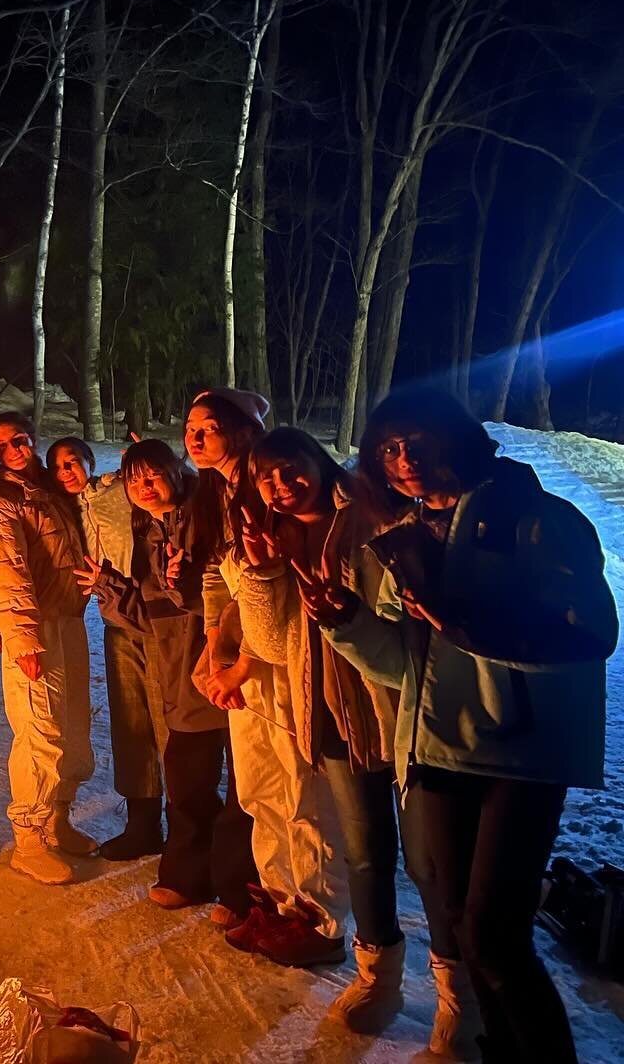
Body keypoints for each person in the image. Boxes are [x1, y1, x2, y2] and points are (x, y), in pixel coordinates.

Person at [317, 389, 615, 1061]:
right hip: (439, 747)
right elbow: (408, 667)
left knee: (493, 933)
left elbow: (592, 631)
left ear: (461, 438)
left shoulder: (540, 522)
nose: (406, 460)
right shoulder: (413, 536)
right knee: (457, 920)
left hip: (520, 753)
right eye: (390, 448)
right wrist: (345, 622)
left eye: (420, 442)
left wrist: (466, 624)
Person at [235, 427, 469, 1021]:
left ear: (319, 463)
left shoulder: (373, 513)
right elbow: (266, 642)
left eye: (292, 469)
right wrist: (261, 574)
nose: (282, 486)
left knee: (429, 863)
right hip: (331, 716)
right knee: (365, 855)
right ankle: (378, 978)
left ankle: (457, 1001)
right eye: (268, 478)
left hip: (402, 714)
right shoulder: (270, 536)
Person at [186, 388, 349, 958]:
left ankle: (320, 916)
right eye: (190, 429)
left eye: (208, 427)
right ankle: (279, 898)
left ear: (242, 430)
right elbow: (217, 575)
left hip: (286, 665)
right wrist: (214, 652)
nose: (195, 439)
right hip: (246, 664)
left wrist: (240, 665)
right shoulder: (219, 493)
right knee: (258, 787)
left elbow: (276, 603)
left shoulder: (271, 495)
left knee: (299, 787)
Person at [77, 440, 256, 921]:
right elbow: (150, 615)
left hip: (239, 667)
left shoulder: (211, 514)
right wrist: (109, 585)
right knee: (187, 776)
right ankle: (188, 876)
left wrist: (192, 586)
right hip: (184, 675)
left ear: (178, 472)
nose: (144, 486)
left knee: (247, 785)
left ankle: (241, 890)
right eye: (135, 480)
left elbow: (235, 594)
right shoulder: (149, 534)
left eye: (153, 474)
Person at [0, 411, 94, 885]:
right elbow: (7, 568)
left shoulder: (51, 488)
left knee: (72, 725)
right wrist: (23, 637)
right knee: (40, 730)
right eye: (4, 445)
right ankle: (28, 839)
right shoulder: (4, 498)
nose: (16, 449)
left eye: (22, 440)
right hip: (34, 627)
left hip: (67, 621)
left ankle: (57, 819)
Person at [50, 435, 165, 859]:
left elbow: (164, 493)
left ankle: (193, 828)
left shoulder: (120, 488)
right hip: (117, 622)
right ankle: (144, 824)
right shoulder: (64, 510)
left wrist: (138, 462)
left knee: (170, 725)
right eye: (59, 466)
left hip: (157, 614)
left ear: (89, 461)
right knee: (131, 726)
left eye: (73, 461)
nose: (67, 471)